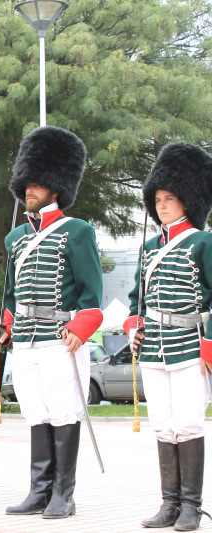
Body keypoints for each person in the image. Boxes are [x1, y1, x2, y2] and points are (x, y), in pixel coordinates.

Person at [0, 126, 103, 519]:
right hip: (25, 338)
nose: (29, 190)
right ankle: (39, 489)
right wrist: (3, 325)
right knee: (35, 411)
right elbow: (10, 293)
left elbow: (92, 295)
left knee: (64, 410)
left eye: (38, 184)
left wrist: (80, 328)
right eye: (27, 183)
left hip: (60, 338)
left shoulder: (77, 231)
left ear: (56, 188)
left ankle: (63, 494)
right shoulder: (16, 238)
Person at [124, 143, 212, 531]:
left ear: (188, 201)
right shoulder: (148, 248)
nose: (161, 206)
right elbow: (135, 300)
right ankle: (169, 504)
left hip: (191, 346)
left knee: (189, 424)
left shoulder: (203, 243)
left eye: (170, 198)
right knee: (163, 424)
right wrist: (133, 325)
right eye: (157, 199)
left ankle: (192, 507)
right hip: (154, 348)